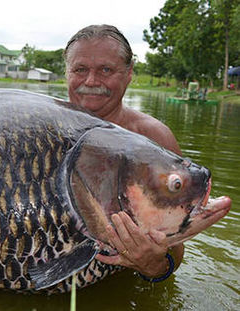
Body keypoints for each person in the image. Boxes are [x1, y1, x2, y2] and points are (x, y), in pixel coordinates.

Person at [63, 24, 185, 281]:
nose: (92, 82)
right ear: (67, 72)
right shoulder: (42, 129)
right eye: (80, 70)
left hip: (118, 281)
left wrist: (154, 266)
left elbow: (176, 249)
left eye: (106, 70)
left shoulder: (154, 138)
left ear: (129, 73)